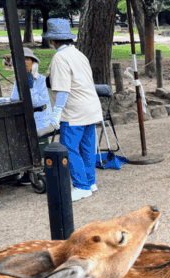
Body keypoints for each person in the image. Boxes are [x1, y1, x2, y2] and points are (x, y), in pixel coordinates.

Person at [42, 18, 103, 202]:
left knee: (69, 149)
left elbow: (62, 89)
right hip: (90, 108)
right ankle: (90, 181)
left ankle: (81, 186)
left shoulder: (60, 58)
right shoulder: (79, 54)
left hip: (74, 110)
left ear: (52, 40)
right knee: (87, 147)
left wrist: (56, 112)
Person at [10, 47, 54, 137]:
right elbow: (13, 101)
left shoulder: (42, 81)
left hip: (40, 125)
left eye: (27, 59)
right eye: (21, 60)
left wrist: (29, 84)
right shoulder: (17, 83)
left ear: (34, 63)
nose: (24, 62)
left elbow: (36, 103)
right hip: (24, 123)